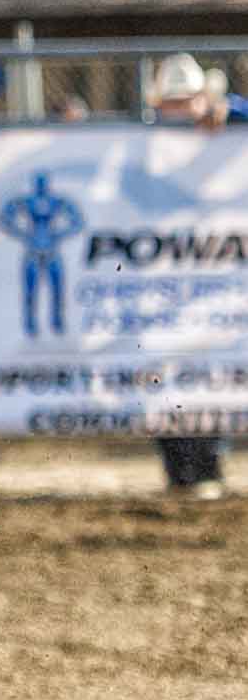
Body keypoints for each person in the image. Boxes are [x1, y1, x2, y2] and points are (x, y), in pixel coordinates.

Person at [149, 54, 230, 497]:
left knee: (211, 366)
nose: (180, 110)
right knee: (163, 371)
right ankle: (180, 467)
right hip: (160, 280)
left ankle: (208, 462)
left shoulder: (224, 130)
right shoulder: (140, 143)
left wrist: (231, 110)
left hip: (211, 273)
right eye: (173, 101)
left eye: (187, 100)